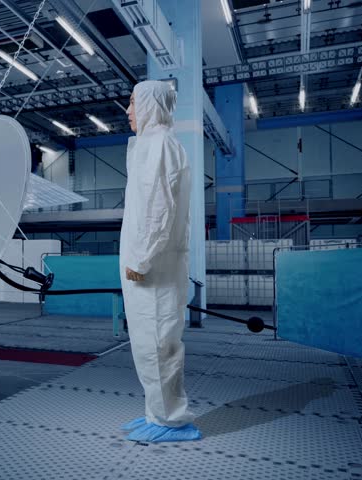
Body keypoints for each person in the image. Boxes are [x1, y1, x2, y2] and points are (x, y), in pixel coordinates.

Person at [117, 80, 201, 442]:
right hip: (150, 267)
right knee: (148, 345)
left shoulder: (160, 145)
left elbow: (157, 209)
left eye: (133, 102)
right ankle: (156, 413)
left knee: (158, 345)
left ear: (150, 104)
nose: (128, 110)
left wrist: (142, 257)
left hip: (154, 269)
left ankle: (171, 420)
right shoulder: (150, 145)